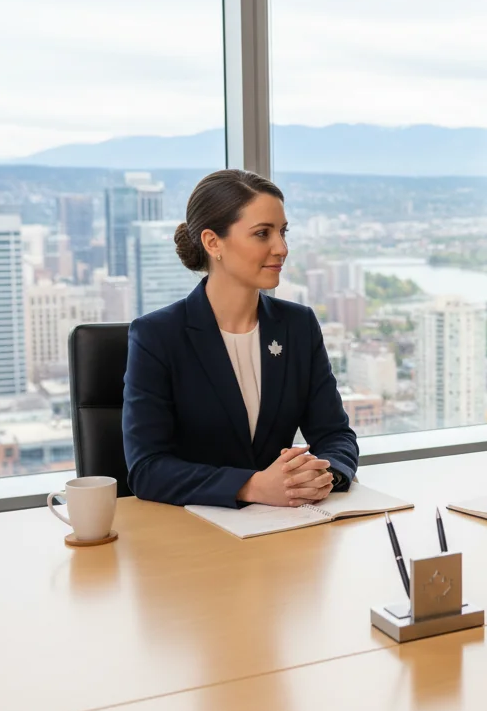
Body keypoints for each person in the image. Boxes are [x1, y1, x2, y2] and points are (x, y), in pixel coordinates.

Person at [123, 169, 359, 508]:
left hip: (286, 527)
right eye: (262, 233)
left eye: (282, 232)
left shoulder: (298, 325)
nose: (282, 248)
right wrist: (250, 486)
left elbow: (335, 435)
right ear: (212, 242)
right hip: (195, 534)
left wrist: (325, 475)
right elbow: (147, 469)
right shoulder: (157, 336)